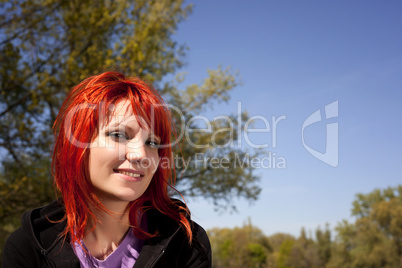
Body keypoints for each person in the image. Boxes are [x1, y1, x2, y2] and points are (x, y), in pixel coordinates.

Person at [2, 71, 211, 267]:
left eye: (152, 143)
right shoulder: (28, 249)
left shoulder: (187, 244)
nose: (140, 155)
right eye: (119, 135)